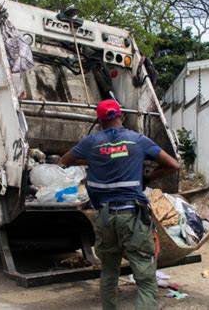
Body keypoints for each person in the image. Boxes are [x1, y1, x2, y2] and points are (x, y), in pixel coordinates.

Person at [59, 99, 180, 310]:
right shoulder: (138, 140)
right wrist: (149, 177)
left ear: (99, 121)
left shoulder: (90, 143)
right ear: (121, 116)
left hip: (105, 217)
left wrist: (93, 159)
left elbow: (64, 160)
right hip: (132, 216)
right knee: (145, 278)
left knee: (109, 273)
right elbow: (173, 164)